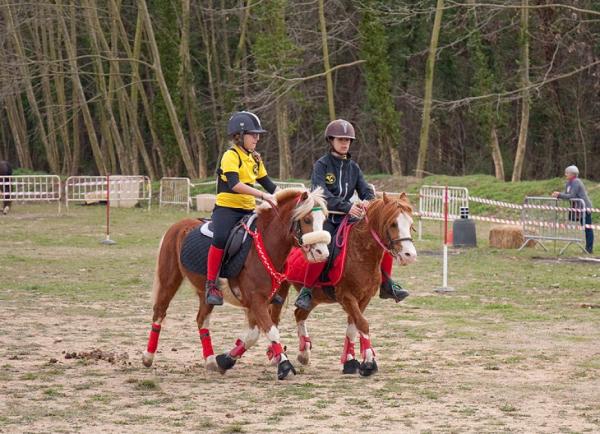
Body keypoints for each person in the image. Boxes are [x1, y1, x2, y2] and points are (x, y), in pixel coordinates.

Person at [294, 119, 409, 311]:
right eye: (341, 139)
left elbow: (366, 191)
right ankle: (307, 290)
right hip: (328, 217)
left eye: (348, 140)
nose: (345, 143)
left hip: (351, 218)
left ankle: (388, 283)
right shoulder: (321, 165)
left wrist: (367, 201)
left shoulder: (354, 167)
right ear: (331, 140)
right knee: (323, 246)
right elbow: (320, 193)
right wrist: (347, 206)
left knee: (381, 240)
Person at [205, 111, 278, 305]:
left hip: (248, 209)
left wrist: (289, 197)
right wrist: (262, 196)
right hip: (227, 209)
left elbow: (269, 184)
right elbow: (234, 184)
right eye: (253, 134)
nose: (257, 138)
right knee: (220, 238)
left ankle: (272, 282)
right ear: (239, 135)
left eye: (258, 134)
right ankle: (211, 284)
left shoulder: (255, 158)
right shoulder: (230, 156)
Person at [552, 165, 594, 254]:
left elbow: (572, 196)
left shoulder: (576, 182)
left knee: (587, 228)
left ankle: (589, 248)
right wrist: (559, 195)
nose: (565, 174)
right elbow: (567, 195)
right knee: (585, 228)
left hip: (585, 208)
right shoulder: (569, 183)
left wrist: (559, 195)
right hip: (577, 208)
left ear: (572, 174)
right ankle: (587, 248)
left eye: (567, 173)